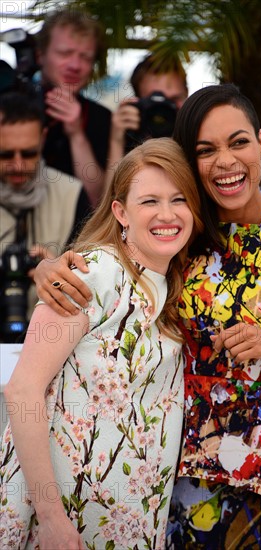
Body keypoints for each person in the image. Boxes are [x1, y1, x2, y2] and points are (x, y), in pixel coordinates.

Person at [32, 84, 261, 548]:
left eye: (238, 142)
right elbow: (109, 252)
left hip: (256, 469)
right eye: (206, 150)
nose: (225, 161)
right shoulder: (182, 227)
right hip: (158, 459)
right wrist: (49, 266)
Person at [0, 137, 203, 549]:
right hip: (63, 527)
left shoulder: (176, 286)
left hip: (132, 523)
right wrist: (52, 519)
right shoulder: (92, 274)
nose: (167, 214)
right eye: (149, 201)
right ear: (120, 212)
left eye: (179, 199)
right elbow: (23, 390)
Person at [0, 91, 90, 340]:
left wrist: (62, 273)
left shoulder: (71, 194)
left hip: (53, 341)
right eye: (5, 155)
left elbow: (93, 284)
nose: (17, 164)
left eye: (28, 153)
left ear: (43, 139)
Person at [36, 9, 111, 207]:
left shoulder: (102, 118)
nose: (75, 65)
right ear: (40, 55)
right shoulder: (13, 106)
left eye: (86, 57)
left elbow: (98, 203)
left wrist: (77, 134)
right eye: (65, 53)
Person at [107, 53, 188, 183]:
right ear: (138, 103)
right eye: (156, 102)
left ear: (187, 97)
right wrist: (116, 141)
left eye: (173, 100)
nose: (164, 110)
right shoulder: (130, 139)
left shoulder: (200, 139)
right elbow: (111, 199)